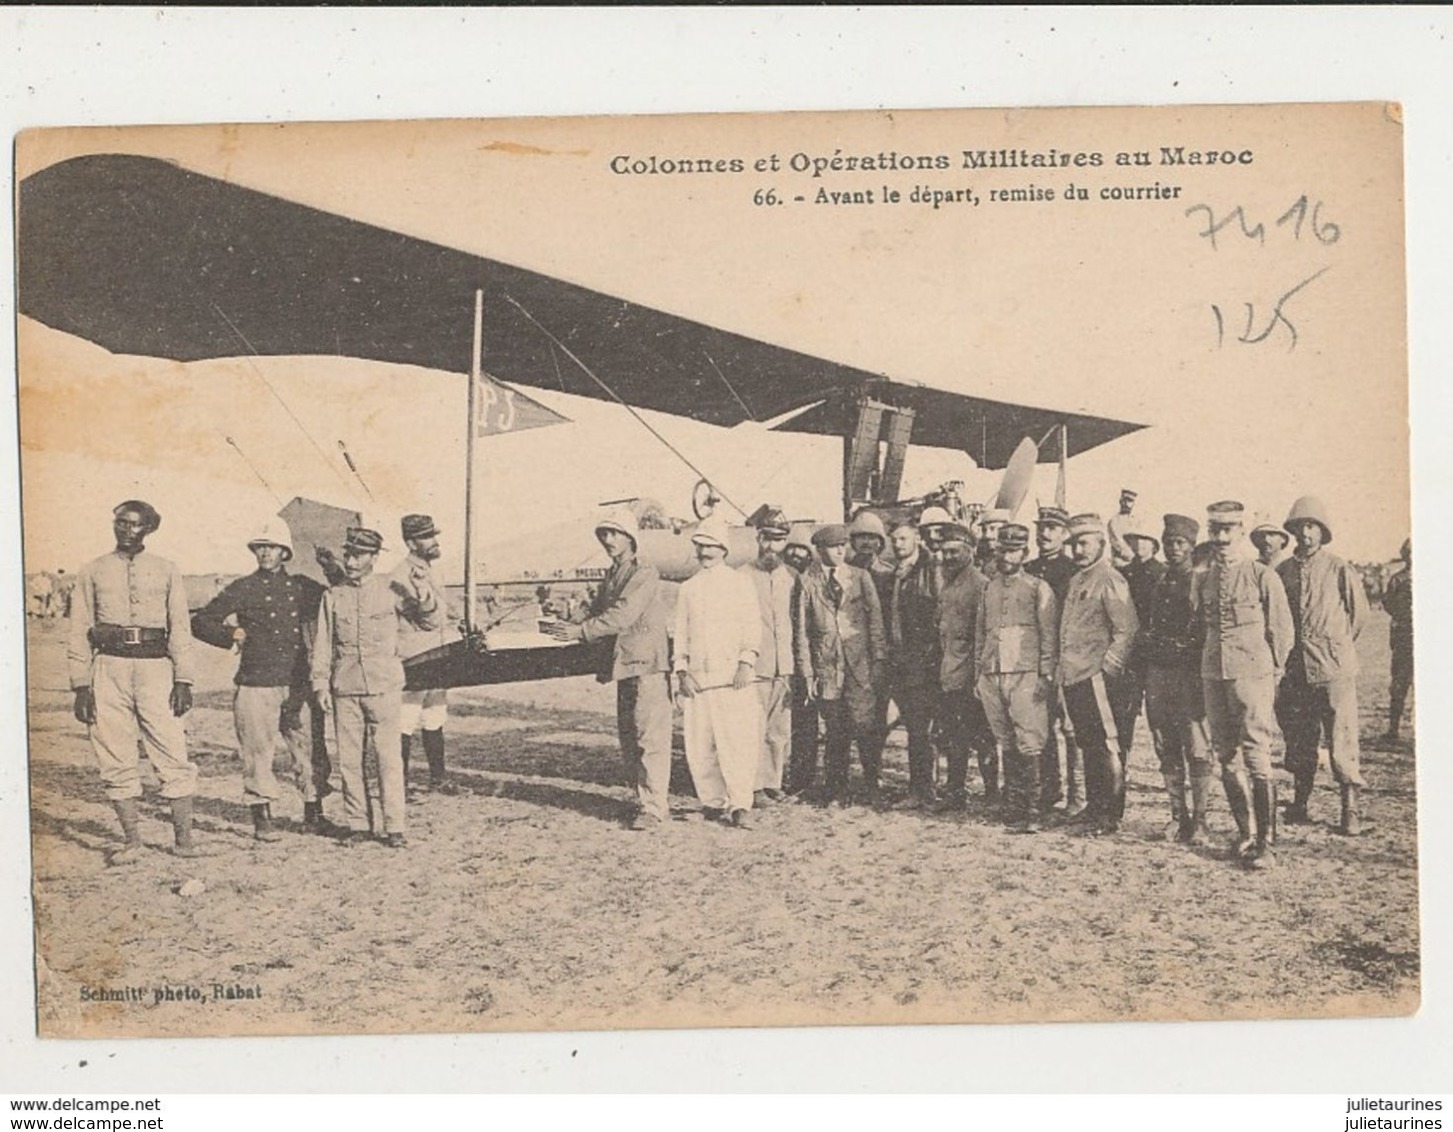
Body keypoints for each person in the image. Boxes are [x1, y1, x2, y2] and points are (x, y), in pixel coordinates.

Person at [69, 500, 199, 863]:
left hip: (155, 668)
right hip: (108, 668)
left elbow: (180, 629)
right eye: (121, 523)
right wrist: (81, 685)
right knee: (113, 751)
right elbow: (79, 628)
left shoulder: (166, 569)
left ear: (149, 529)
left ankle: (184, 842)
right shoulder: (92, 570)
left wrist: (183, 679)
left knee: (172, 749)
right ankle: (132, 842)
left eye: (135, 524)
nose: (126, 530)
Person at [191, 520, 329, 841]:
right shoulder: (243, 588)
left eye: (272, 547)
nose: (265, 553)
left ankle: (314, 814)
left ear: (285, 552)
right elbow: (201, 621)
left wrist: (331, 567)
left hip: (298, 682)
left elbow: (337, 600)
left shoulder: (303, 587)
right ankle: (262, 819)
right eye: (259, 547)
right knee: (257, 752)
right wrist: (231, 633)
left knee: (309, 748)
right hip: (255, 682)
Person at [311, 525, 438, 849]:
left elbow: (427, 621)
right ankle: (358, 824)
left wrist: (424, 593)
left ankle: (394, 826)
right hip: (345, 686)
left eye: (359, 555)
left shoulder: (391, 590)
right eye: (348, 554)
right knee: (350, 761)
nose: (351, 561)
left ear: (374, 557)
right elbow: (323, 644)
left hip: (383, 685)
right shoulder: (333, 596)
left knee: (388, 758)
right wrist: (320, 684)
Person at [546, 509, 672, 831]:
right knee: (629, 736)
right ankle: (642, 800)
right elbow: (597, 607)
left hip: (647, 665)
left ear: (631, 538)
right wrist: (566, 616)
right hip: (624, 664)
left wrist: (580, 632)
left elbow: (622, 615)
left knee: (649, 736)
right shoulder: (614, 573)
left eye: (613, 534)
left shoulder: (644, 572)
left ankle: (655, 808)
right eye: (603, 534)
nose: (607, 540)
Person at [1192, 500, 1294, 869]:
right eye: (1214, 530)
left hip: (1252, 671)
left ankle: (1266, 842)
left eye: (1227, 530)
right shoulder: (1202, 578)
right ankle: (1245, 833)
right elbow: (1201, 626)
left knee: (1256, 752)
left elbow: (1281, 630)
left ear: (1240, 532)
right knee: (1225, 753)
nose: (1219, 538)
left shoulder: (1260, 575)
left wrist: (1275, 670)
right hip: (1213, 672)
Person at [1276, 496, 1368, 835]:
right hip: (1296, 669)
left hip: (1333, 669)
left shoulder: (1338, 567)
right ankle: (1300, 803)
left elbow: (1359, 616)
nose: (1305, 533)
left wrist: (1336, 648)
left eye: (1312, 526)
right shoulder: (1283, 570)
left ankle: (1350, 808)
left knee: (1341, 738)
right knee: (1300, 738)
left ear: (1322, 531)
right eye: (1300, 527)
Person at [674, 518, 763, 828]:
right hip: (699, 680)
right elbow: (681, 633)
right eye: (699, 545)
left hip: (733, 680)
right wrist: (682, 671)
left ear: (723, 548)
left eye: (710, 545)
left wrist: (745, 662)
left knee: (736, 741)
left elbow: (752, 627)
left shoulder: (740, 583)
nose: (704, 551)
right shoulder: (688, 588)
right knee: (700, 744)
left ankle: (740, 803)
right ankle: (712, 802)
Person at [795, 523, 887, 808]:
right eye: (833, 546)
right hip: (828, 668)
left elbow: (875, 622)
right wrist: (807, 672)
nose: (840, 550)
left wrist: (879, 661)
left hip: (860, 667)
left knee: (866, 726)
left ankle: (872, 786)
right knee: (835, 730)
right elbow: (802, 631)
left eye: (842, 545)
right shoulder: (807, 582)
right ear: (819, 549)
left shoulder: (859, 577)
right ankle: (836, 789)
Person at [1058, 513, 1140, 834]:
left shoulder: (1109, 578)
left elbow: (1127, 629)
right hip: (1075, 675)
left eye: (1084, 543)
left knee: (1107, 746)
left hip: (1097, 677)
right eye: (1074, 544)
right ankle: (1094, 808)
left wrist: (1108, 668)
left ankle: (1110, 817)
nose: (1078, 550)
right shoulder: (1077, 581)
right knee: (1088, 743)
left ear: (1101, 544)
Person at [974, 523, 1058, 833]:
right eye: (1001, 550)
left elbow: (1048, 634)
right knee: (1005, 740)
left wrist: (1045, 674)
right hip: (992, 672)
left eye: (1012, 550)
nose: (1006, 556)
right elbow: (980, 634)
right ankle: (1013, 804)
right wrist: (978, 674)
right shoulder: (988, 588)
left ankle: (1033, 810)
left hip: (1026, 672)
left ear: (1025, 553)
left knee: (1029, 740)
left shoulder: (1037, 588)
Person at [1141, 514, 1215, 844]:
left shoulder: (1201, 581)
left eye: (1180, 543)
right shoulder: (1159, 581)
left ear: (1191, 546)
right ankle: (1177, 816)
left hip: (1189, 673)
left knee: (1197, 747)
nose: (1173, 548)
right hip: (1160, 673)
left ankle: (1200, 820)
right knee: (1165, 744)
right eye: (1169, 542)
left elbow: (1206, 629)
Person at [391, 514, 459, 797]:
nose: (434, 542)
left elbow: (442, 612)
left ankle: (438, 778)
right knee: (405, 720)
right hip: (415, 657)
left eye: (433, 535)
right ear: (411, 542)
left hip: (436, 655)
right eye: (427, 537)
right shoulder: (400, 575)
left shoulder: (429, 570)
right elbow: (425, 619)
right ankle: (399, 784)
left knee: (434, 715)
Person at [935, 523, 997, 809]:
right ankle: (956, 792)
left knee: (982, 737)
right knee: (955, 737)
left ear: (970, 552)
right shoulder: (948, 583)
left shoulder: (979, 584)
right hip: (951, 672)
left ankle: (991, 793)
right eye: (945, 552)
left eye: (954, 552)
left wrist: (977, 678)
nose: (948, 557)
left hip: (971, 675)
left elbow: (981, 635)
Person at [1027, 505, 1082, 815]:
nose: (1044, 533)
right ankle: (1050, 789)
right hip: (1037, 661)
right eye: (1041, 527)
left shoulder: (1072, 571)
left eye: (1052, 528)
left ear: (1064, 534)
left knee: (1071, 729)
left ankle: (1077, 797)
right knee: (1040, 725)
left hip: (1067, 660)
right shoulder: (1030, 569)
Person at [739, 508, 796, 807]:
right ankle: (753, 786)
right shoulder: (741, 577)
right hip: (755, 667)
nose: (772, 547)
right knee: (753, 728)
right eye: (767, 539)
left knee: (778, 730)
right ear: (758, 538)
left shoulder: (792, 578)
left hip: (784, 666)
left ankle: (773, 782)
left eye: (779, 540)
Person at [1384, 537, 1413, 740]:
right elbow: (1388, 604)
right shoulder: (1397, 579)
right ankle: (1393, 728)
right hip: (1404, 638)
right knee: (1399, 685)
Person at [1107, 488, 1139, 567]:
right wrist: (1133, 557)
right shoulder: (1114, 521)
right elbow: (1118, 543)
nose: (1126, 503)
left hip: (1136, 561)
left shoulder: (1136, 520)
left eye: (1130, 501)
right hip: (1121, 562)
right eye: (1124, 500)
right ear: (1120, 501)